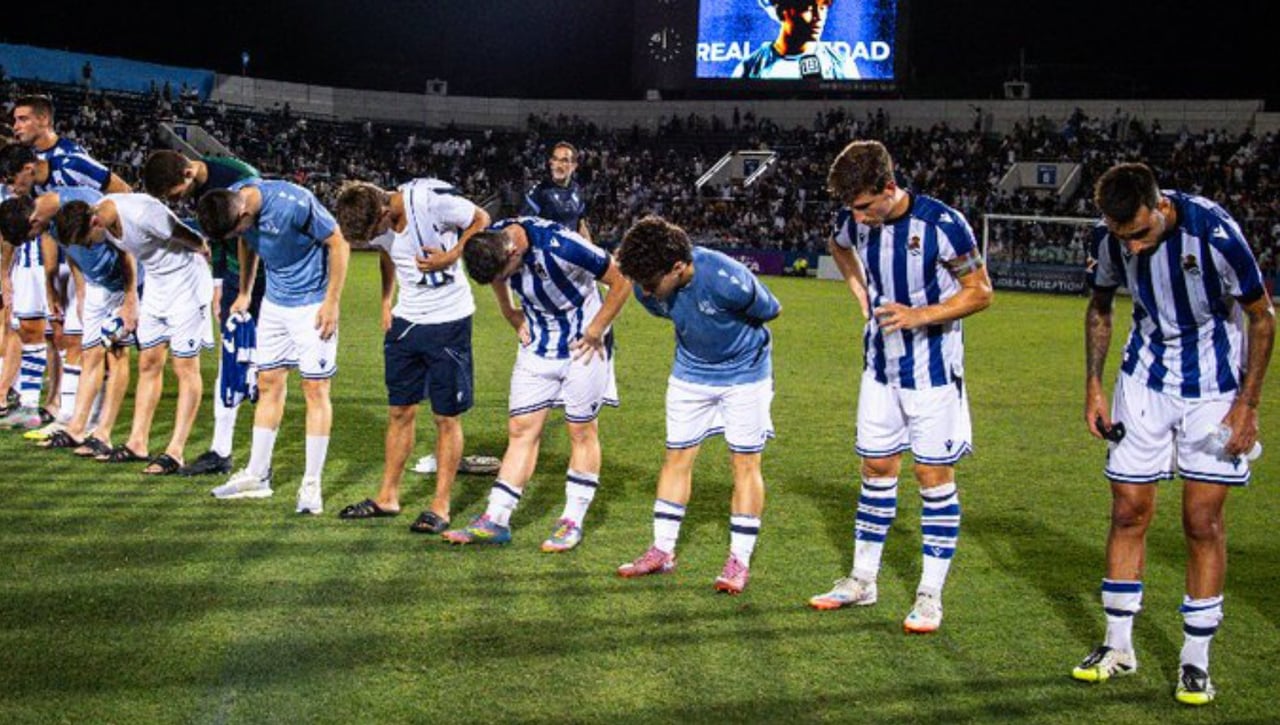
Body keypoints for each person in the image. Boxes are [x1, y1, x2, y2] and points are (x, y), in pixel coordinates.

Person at [1071, 162, 1274, 706]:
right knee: (1127, 513)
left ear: (1161, 206)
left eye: (1140, 233)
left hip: (1213, 388)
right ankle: (1118, 647)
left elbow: (1262, 317)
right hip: (1143, 381)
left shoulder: (1216, 233)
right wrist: (1094, 386)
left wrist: (1248, 405)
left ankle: (1195, 661)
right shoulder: (1110, 238)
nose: (1133, 247)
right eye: (1122, 237)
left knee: (1202, 521)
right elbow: (1100, 308)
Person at [807, 140, 992, 633]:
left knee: (933, 477)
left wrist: (920, 315)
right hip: (879, 368)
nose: (858, 217)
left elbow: (980, 292)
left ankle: (930, 595)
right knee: (876, 466)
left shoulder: (943, 225)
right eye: (852, 208)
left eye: (865, 206)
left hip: (934, 372)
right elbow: (839, 245)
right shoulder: (853, 220)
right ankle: (863, 580)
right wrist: (859, 291)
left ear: (889, 187)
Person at [612, 216, 781, 595]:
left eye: (651, 283)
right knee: (676, 457)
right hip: (689, 375)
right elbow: (666, 306)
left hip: (745, 377)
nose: (645, 291)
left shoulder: (727, 277)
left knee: (745, 463)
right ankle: (662, 550)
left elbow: (770, 310)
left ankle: (739, 560)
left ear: (677, 267)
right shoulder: (647, 289)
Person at [442, 216, 630, 550]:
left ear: (513, 252)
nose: (505, 280)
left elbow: (621, 280)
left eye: (505, 274)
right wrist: (509, 312)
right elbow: (498, 278)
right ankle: (496, 519)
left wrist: (596, 329)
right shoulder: (495, 238)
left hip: (582, 347)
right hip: (537, 345)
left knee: (581, 431)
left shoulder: (563, 246)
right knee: (521, 430)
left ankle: (571, 521)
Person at [331, 179, 490, 533]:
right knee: (399, 411)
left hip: (449, 320)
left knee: (445, 417)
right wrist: (386, 300)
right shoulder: (377, 220)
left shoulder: (430, 201)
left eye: (374, 231)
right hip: (406, 322)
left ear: (383, 210)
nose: (376, 238)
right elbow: (387, 254)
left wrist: (453, 254)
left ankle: (440, 506)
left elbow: (481, 218)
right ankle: (387, 497)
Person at [196, 179, 350, 514]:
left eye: (237, 230)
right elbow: (246, 244)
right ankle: (257, 475)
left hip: (312, 305)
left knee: (315, 389)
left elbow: (338, 242)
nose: (240, 236)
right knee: (268, 383)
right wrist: (246, 292)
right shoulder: (234, 198)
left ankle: (311, 485)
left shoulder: (294, 203)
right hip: (274, 304)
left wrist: (332, 302)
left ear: (243, 215)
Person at [53, 194, 212, 474]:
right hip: (156, 286)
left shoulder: (141, 213)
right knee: (148, 363)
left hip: (186, 284)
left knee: (185, 366)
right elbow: (127, 254)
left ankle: (175, 451)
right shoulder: (105, 221)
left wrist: (202, 248)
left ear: (94, 222)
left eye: (87, 241)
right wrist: (131, 299)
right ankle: (138, 442)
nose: (90, 247)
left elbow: (182, 231)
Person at [142, 149, 264, 475]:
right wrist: (219, 283)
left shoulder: (240, 178)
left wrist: (245, 288)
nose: (176, 201)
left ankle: (260, 461)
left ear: (188, 175)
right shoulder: (201, 190)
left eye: (174, 195)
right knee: (230, 359)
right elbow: (218, 239)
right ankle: (220, 452)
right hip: (235, 278)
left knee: (263, 367)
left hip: (264, 277)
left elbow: (249, 236)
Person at [0, 189, 137, 457]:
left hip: (122, 284)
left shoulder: (83, 202)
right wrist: (81, 288)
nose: (34, 239)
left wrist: (130, 297)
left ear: (33, 221)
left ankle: (103, 434)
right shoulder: (52, 220)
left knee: (117, 355)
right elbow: (72, 250)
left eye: (31, 236)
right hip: (97, 286)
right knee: (91, 353)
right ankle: (76, 429)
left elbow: (125, 246)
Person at [9, 98, 130, 195]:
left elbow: (124, 192)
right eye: (15, 120)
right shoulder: (24, 155)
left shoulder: (71, 159)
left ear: (43, 120)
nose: (15, 127)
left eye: (23, 119)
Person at [732, 0, 858, 80]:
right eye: (808, 8)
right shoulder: (751, 68)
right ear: (782, 10)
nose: (819, 17)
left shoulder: (840, 65)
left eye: (822, 8)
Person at [521, 142, 591, 241]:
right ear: (551, 163)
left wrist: (591, 248)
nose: (558, 165)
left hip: (571, 249)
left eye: (564, 160)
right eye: (555, 159)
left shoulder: (577, 189)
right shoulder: (539, 191)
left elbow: (581, 225)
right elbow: (523, 227)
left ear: (574, 166)